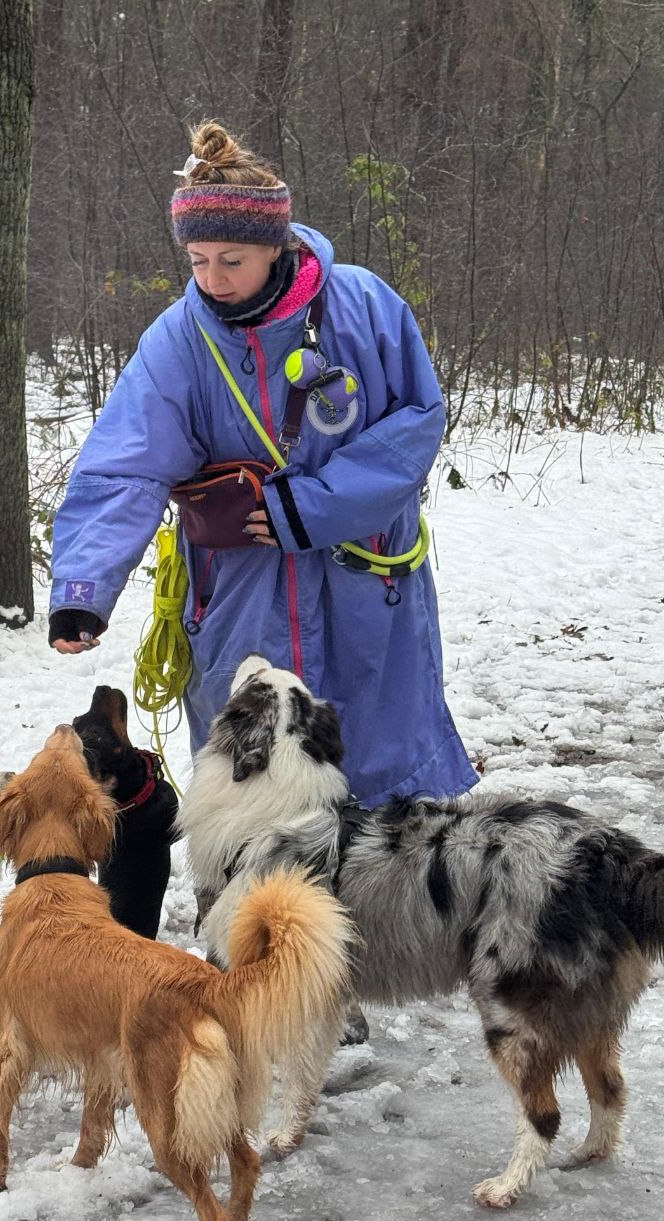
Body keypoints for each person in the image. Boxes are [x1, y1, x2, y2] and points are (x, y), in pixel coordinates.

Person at [49, 119, 477, 813]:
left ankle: (386, 898)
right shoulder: (177, 341)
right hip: (240, 587)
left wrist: (313, 505)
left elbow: (417, 422)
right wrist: (82, 587)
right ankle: (256, 906)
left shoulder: (364, 306)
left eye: (231, 260)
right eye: (198, 261)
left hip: (363, 576)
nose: (212, 280)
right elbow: (123, 466)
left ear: (275, 248)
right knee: (251, 765)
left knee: (376, 749)